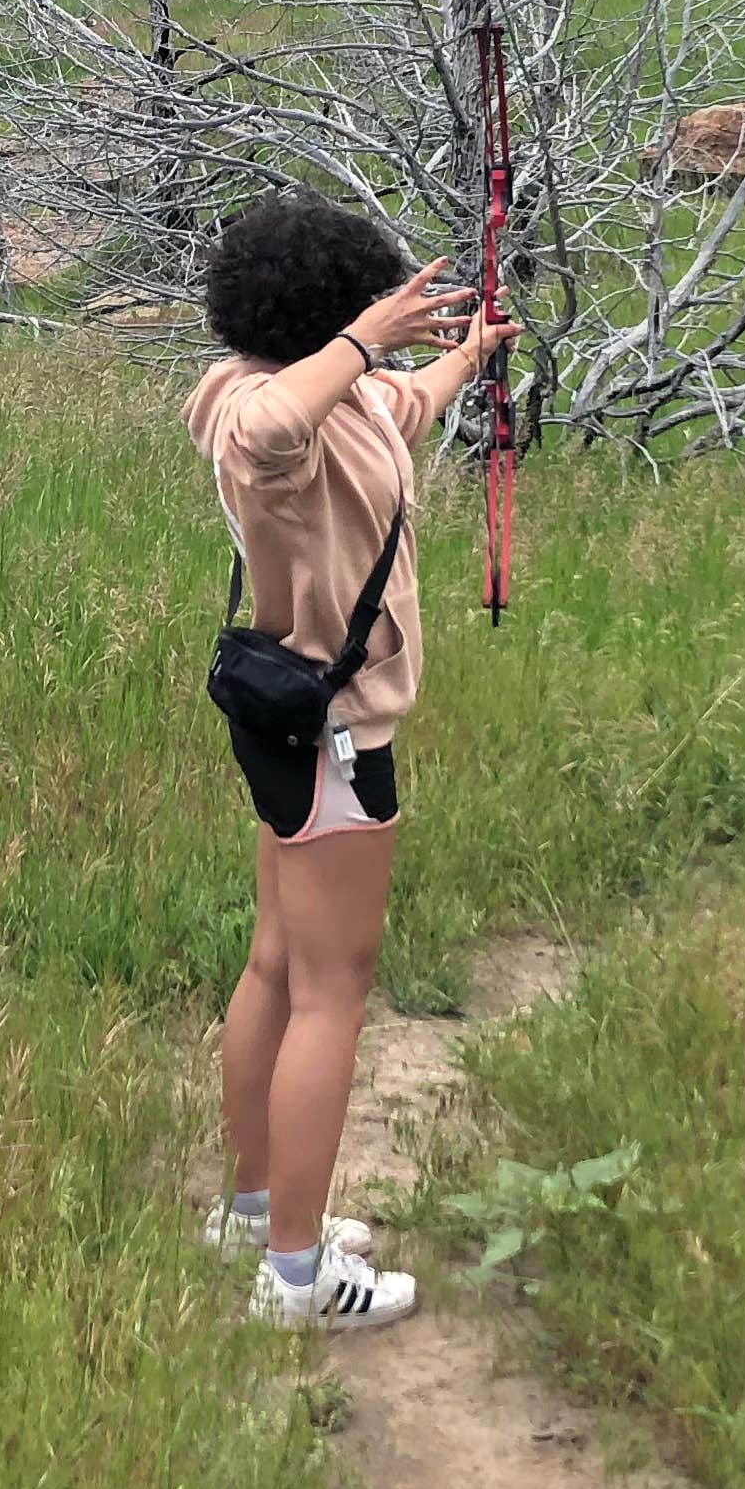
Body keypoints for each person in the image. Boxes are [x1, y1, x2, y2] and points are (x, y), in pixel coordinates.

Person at [184, 194, 513, 1333]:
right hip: (332, 734)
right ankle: (295, 1276)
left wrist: (460, 358)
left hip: (296, 731)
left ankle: (255, 1209)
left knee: (278, 965)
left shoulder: (328, 399)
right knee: (332, 992)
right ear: (326, 322)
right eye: (357, 314)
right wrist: (368, 338)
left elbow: (393, 409)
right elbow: (281, 426)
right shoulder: (259, 421)